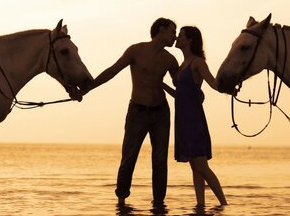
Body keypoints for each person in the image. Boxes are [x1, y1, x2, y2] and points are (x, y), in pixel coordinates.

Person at [88, 18, 178, 205]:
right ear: (161, 30)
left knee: (160, 160)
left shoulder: (170, 59)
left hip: (161, 112)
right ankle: (121, 200)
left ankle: (159, 204)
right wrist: (87, 88)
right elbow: (112, 71)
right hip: (137, 112)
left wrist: (195, 92)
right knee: (129, 157)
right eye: (172, 31)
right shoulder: (136, 50)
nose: (175, 36)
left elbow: (182, 87)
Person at [163, 26, 227, 206]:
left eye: (181, 35)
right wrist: (161, 85)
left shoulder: (197, 63)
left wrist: (228, 86)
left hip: (193, 119)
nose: (177, 38)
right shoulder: (182, 64)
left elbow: (214, 83)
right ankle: (200, 205)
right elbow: (180, 94)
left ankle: (224, 203)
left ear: (189, 40)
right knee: (195, 166)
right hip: (182, 119)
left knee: (201, 165)